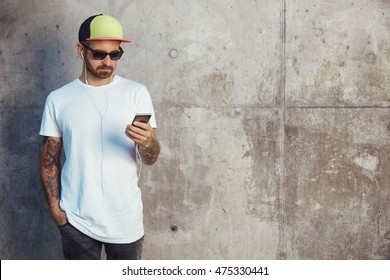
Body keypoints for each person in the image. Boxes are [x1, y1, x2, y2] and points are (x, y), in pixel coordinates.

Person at [39, 14, 160, 260]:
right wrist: (56, 211)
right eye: (99, 54)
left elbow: (151, 158)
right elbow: (49, 159)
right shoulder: (58, 99)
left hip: (125, 222)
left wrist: (148, 143)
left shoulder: (136, 93)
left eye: (115, 55)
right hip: (76, 222)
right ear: (80, 50)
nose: (107, 61)